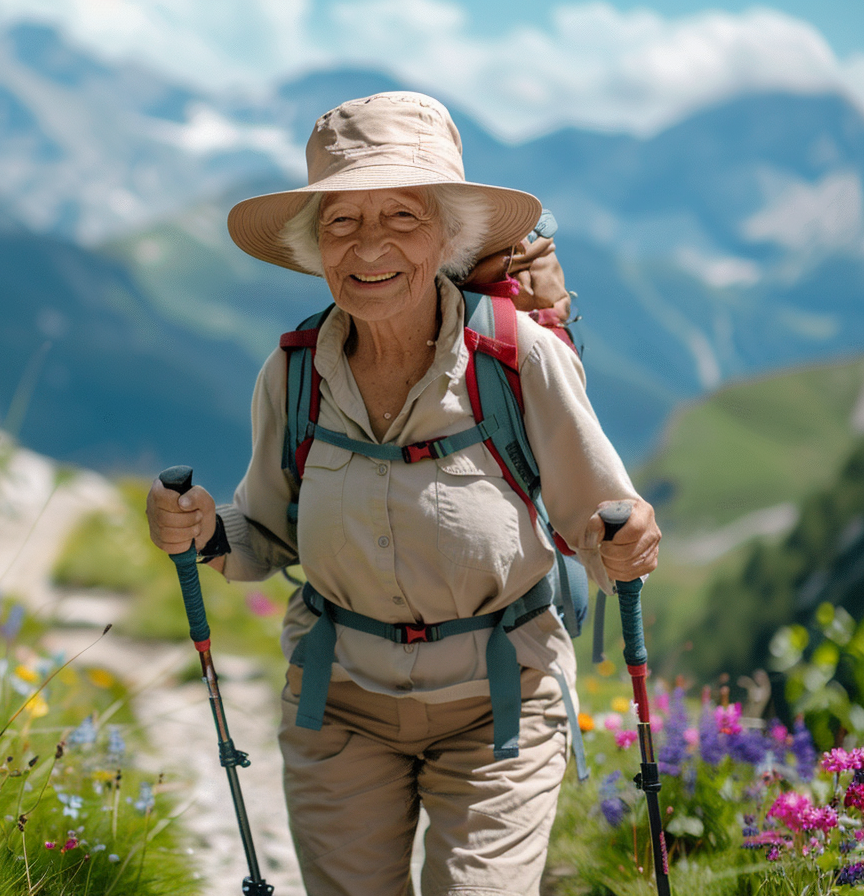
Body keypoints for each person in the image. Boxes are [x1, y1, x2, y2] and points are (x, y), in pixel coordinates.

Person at [146, 92, 660, 896]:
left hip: (503, 706)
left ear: (449, 238)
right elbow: (264, 537)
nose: (369, 245)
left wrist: (625, 540)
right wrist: (207, 527)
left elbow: (600, 525)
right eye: (342, 222)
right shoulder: (294, 373)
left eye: (402, 217)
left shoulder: (517, 359)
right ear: (316, 246)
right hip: (338, 703)